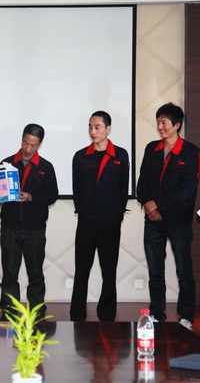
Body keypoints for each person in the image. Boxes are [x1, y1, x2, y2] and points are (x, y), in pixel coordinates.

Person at [136, 102, 200, 330]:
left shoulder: (191, 152)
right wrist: (148, 204)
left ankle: (186, 316)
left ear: (176, 125)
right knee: (155, 270)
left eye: (164, 122)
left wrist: (159, 207)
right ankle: (156, 313)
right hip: (152, 221)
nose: (160, 127)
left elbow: (187, 189)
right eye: (158, 122)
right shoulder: (151, 149)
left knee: (184, 271)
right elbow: (143, 182)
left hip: (178, 221)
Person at [69, 111, 129, 322]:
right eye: (90, 127)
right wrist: (83, 210)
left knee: (109, 271)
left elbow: (123, 188)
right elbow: (77, 189)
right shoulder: (80, 156)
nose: (93, 131)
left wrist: (117, 213)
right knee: (81, 271)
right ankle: (77, 316)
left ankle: (107, 315)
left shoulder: (120, 155)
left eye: (97, 127)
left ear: (108, 129)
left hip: (110, 223)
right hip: (86, 222)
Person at [0, 123, 58, 319]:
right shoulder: (6, 163)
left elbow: (52, 196)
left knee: (35, 273)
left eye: (33, 145)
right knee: (9, 273)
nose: (28, 149)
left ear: (39, 144)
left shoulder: (46, 167)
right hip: (9, 227)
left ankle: (37, 311)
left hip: (35, 229)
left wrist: (31, 197)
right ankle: (9, 311)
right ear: (22, 139)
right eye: (26, 143)